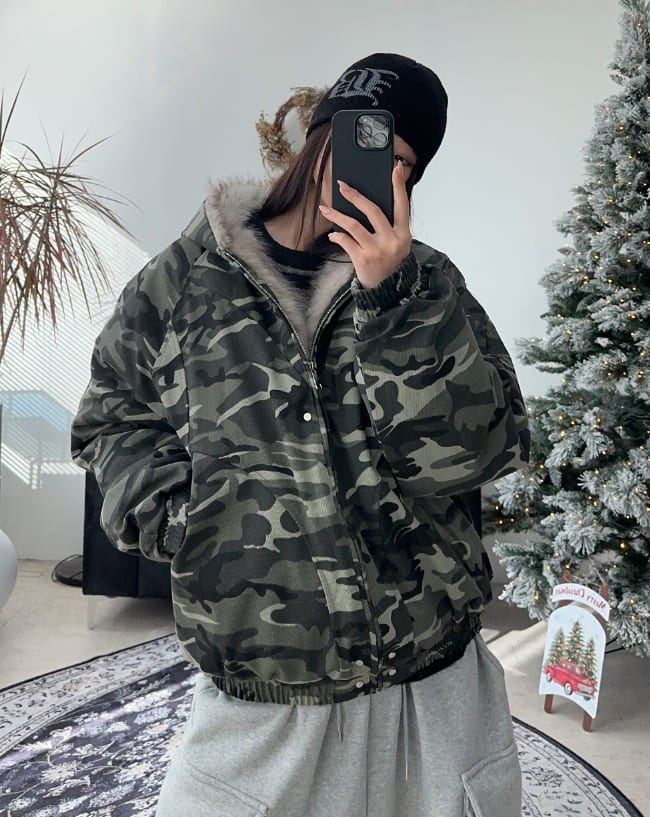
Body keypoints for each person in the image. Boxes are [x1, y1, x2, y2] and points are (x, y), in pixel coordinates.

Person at [72, 52, 530, 817]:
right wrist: (195, 525)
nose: (375, 169)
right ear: (320, 135)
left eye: (402, 162)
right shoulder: (181, 282)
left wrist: (394, 303)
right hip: (264, 680)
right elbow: (112, 415)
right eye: (363, 139)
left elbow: (477, 454)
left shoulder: (428, 286)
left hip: (430, 680)